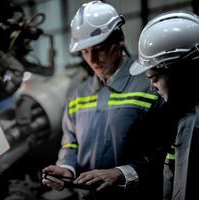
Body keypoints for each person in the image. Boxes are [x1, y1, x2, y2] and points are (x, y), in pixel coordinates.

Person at [42, 1, 164, 199]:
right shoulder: (78, 94)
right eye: (85, 51)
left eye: (99, 49)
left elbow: (168, 151)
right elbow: (71, 143)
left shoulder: (151, 86)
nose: (92, 59)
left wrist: (122, 173)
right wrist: (66, 167)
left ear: (119, 40)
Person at [130, 11, 199, 200]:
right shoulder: (183, 116)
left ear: (178, 73)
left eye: (154, 78)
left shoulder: (193, 123)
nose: (152, 88)